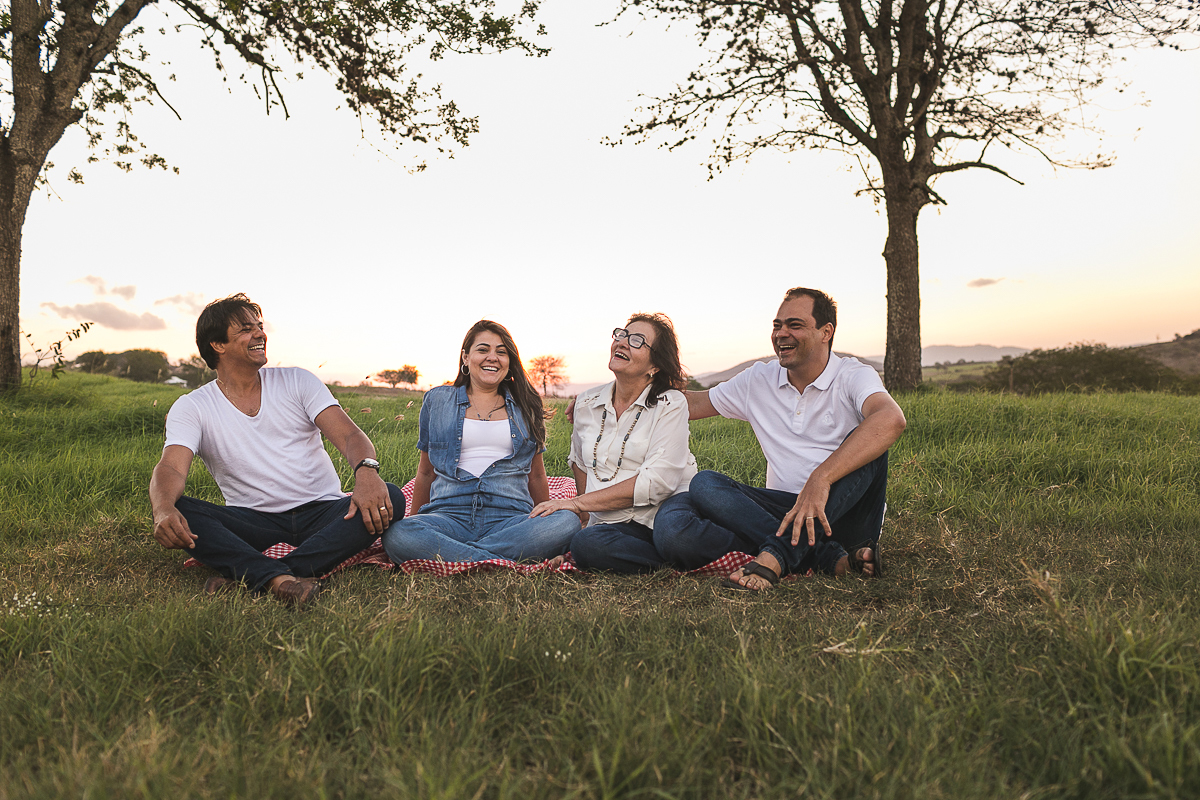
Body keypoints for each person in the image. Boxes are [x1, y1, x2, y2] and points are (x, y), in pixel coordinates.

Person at [149, 293, 405, 607]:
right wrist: (163, 509)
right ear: (217, 344)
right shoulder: (192, 407)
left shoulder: (297, 381)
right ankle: (287, 576)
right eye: (246, 329)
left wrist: (367, 472)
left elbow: (350, 435)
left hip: (323, 513)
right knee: (183, 509)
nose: (260, 333)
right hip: (254, 523)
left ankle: (257, 577)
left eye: (259, 325)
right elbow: (172, 467)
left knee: (389, 496)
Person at [652, 287, 907, 590]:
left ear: (826, 332)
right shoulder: (759, 380)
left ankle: (775, 557)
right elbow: (691, 404)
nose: (781, 333)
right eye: (777, 325)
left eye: (794, 325)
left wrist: (820, 479)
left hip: (845, 517)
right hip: (781, 512)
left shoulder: (853, 375)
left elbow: (891, 420)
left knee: (869, 437)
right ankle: (829, 559)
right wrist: (609, 397)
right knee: (702, 488)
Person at [381, 320, 579, 564]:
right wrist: (415, 522)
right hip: (449, 515)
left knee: (565, 521)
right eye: (483, 349)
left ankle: (457, 555)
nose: (492, 357)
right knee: (398, 533)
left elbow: (537, 476)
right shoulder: (438, 400)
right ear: (466, 357)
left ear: (510, 361)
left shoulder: (527, 405)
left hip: (510, 518)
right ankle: (502, 560)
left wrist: (543, 519)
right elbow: (425, 472)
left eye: (501, 352)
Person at [532, 313, 697, 572]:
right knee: (587, 543)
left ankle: (680, 548)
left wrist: (577, 504)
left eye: (637, 340)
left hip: (665, 512)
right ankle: (670, 559)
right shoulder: (586, 402)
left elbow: (658, 483)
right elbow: (580, 462)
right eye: (621, 334)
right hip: (614, 522)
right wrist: (586, 518)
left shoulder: (670, 403)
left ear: (654, 365)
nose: (621, 342)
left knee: (673, 535)